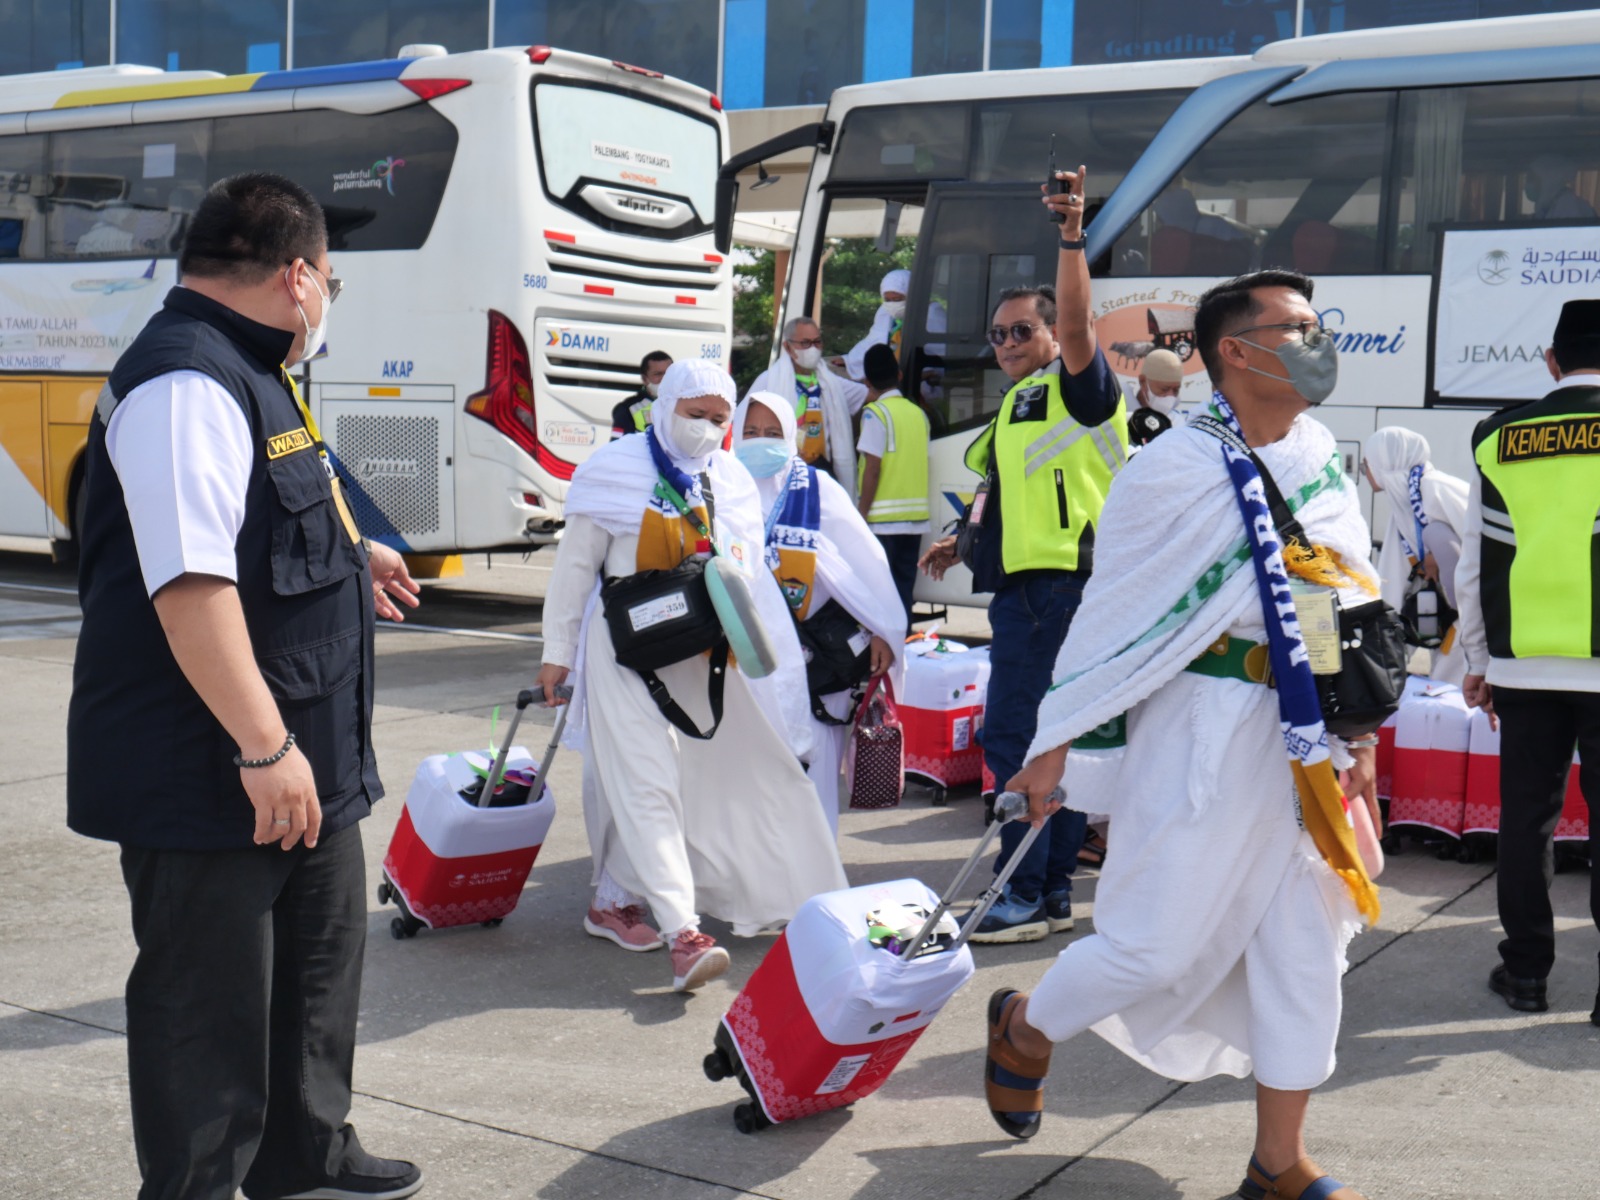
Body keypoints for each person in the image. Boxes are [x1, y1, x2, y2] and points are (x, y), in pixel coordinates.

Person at [65, 172, 425, 1200]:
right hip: (214, 766)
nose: (328, 303)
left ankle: (306, 1152)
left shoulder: (252, 367)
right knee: (207, 1014)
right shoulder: (187, 383)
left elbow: (295, 484)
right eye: (332, 283)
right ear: (297, 275)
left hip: (302, 759)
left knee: (315, 975)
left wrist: (365, 550)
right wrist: (265, 749)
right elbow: (189, 589)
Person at [986, 268, 1380, 1200]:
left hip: (1304, 740)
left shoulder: (1317, 451)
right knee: (1151, 947)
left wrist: (1357, 737)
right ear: (1235, 352)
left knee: (1303, 947)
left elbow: (1349, 592)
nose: (1316, 341)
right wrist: (1055, 745)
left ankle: (1277, 1164)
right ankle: (1028, 1025)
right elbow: (1111, 618)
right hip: (1200, 734)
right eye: (1296, 327)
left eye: (1316, 325)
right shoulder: (1169, 469)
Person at [535, 359, 847, 991]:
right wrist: (557, 651)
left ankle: (805, 900)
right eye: (693, 414)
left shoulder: (729, 478)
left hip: (704, 650)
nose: (706, 429)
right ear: (665, 404)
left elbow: (746, 576)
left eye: (717, 418)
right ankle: (684, 931)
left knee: (754, 768)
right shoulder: (614, 470)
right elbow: (574, 569)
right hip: (625, 648)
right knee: (647, 778)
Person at [919, 164, 1128, 944]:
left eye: (1022, 332)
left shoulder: (1078, 386)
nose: (1006, 343)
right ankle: (1045, 894)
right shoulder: (1018, 404)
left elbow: (1080, 329)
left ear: (1051, 338)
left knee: (1019, 739)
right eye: (997, 334)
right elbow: (1009, 489)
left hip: (1055, 594)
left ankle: (1016, 894)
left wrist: (1071, 234)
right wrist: (963, 540)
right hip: (1042, 590)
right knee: (1063, 740)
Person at [1456, 298, 1600, 1024]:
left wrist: (1479, 659)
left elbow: (1477, 564)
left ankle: (1527, 976)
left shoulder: (1498, 435)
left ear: (1551, 361)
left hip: (1522, 666)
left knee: (1525, 826)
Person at [732, 389, 905, 833]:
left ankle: (812, 880)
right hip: (743, 661)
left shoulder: (817, 488)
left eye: (772, 432)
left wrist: (882, 628)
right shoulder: (723, 487)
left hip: (816, 663)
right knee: (747, 775)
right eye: (749, 431)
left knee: (815, 770)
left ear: (791, 436)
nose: (759, 441)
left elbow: (865, 564)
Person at [1361, 427, 1470, 684]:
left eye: (1367, 465)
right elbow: (1393, 578)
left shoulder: (1438, 488)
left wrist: (1440, 556)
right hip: (1451, 618)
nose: (1366, 473)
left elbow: (1485, 542)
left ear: (1385, 464)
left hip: (1476, 614)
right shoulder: (1403, 506)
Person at [747, 316, 868, 497]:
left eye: (817, 342)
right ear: (788, 347)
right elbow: (743, 422)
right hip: (783, 472)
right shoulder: (769, 380)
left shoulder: (830, 382)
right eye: (805, 343)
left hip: (821, 471)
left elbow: (869, 395)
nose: (812, 348)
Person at [856, 342, 931, 627]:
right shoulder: (918, 414)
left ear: (867, 382)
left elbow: (872, 469)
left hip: (882, 522)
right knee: (903, 590)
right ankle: (904, 647)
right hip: (914, 521)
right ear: (899, 375)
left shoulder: (875, 414)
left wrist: (861, 514)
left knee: (880, 594)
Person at [844, 268, 949, 381]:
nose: (892, 304)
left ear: (912, 294)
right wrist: (849, 359)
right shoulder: (885, 311)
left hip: (922, 383)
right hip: (892, 377)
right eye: (887, 300)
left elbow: (944, 354)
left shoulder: (931, 313)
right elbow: (873, 342)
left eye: (898, 299)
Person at [1125, 348, 1186, 449]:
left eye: (1176, 390)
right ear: (1143, 381)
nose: (1170, 397)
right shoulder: (1120, 410)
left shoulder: (1177, 424)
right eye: (1164, 389)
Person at [611, 350, 671, 439]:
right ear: (644, 379)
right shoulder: (627, 409)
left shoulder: (686, 403)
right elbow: (616, 445)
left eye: (668, 373)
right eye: (658, 374)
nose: (664, 379)